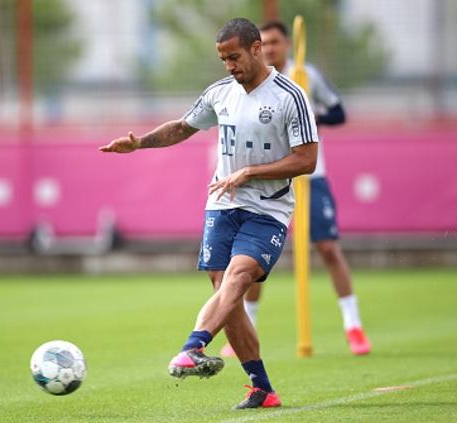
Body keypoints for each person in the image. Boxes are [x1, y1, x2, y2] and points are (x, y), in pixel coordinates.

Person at [100, 18, 319, 409]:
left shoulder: (290, 96)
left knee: (238, 276)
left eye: (234, 57)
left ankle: (193, 346)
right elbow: (184, 127)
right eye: (222, 59)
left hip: (268, 208)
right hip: (222, 202)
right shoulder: (221, 93)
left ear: (257, 49)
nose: (229, 66)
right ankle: (262, 389)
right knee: (225, 292)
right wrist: (140, 144)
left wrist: (252, 171)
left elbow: (306, 160)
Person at [221, 20, 371, 358]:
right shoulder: (249, 83)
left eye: (276, 42)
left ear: (287, 44)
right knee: (251, 260)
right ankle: (246, 330)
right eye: (265, 42)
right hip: (267, 183)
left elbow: (339, 112)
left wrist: (311, 116)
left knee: (328, 249)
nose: (271, 48)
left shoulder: (306, 77)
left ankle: (353, 325)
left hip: (310, 177)